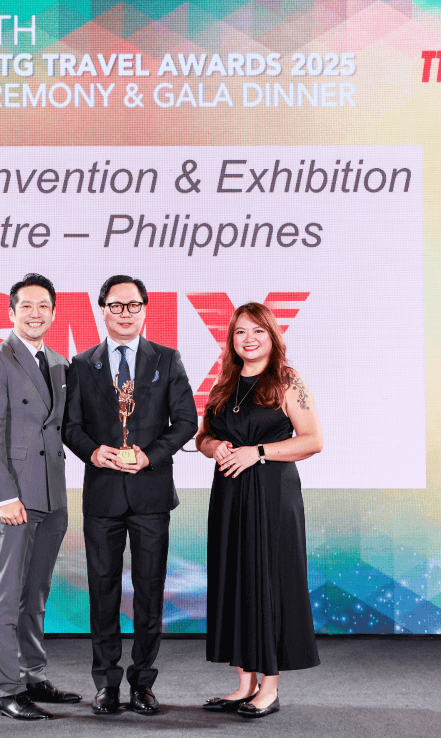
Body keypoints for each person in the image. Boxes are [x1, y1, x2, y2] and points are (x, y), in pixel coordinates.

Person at [63, 275, 198, 716]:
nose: (125, 313)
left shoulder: (167, 359)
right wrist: (93, 451)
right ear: (102, 309)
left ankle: (143, 682)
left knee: (149, 590)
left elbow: (186, 422)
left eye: (133, 305)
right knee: (102, 590)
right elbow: (70, 427)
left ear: (145, 309)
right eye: (116, 305)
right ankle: (106, 683)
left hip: (150, 494)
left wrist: (149, 455)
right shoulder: (81, 363)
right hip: (102, 495)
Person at [194, 302, 323, 718]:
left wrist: (259, 452)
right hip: (229, 496)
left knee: (269, 583)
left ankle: (269, 687)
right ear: (231, 339)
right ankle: (244, 685)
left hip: (272, 497)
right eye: (240, 332)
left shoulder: (287, 380)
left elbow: (313, 440)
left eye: (257, 331)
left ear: (272, 336)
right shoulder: (224, 382)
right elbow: (202, 437)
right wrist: (214, 446)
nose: (248, 339)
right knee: (234, 581)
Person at [0, 273, 81, 720]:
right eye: (27, 306)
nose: (36, 314)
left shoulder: (58, 363)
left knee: (36, 592)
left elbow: (64, 429)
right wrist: (4, 497)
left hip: (53, 497)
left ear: (53, 313)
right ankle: (7, 689)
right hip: (15, 497)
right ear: (11, 312)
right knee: (7, 595)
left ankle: (33, 675)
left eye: (44, 306)